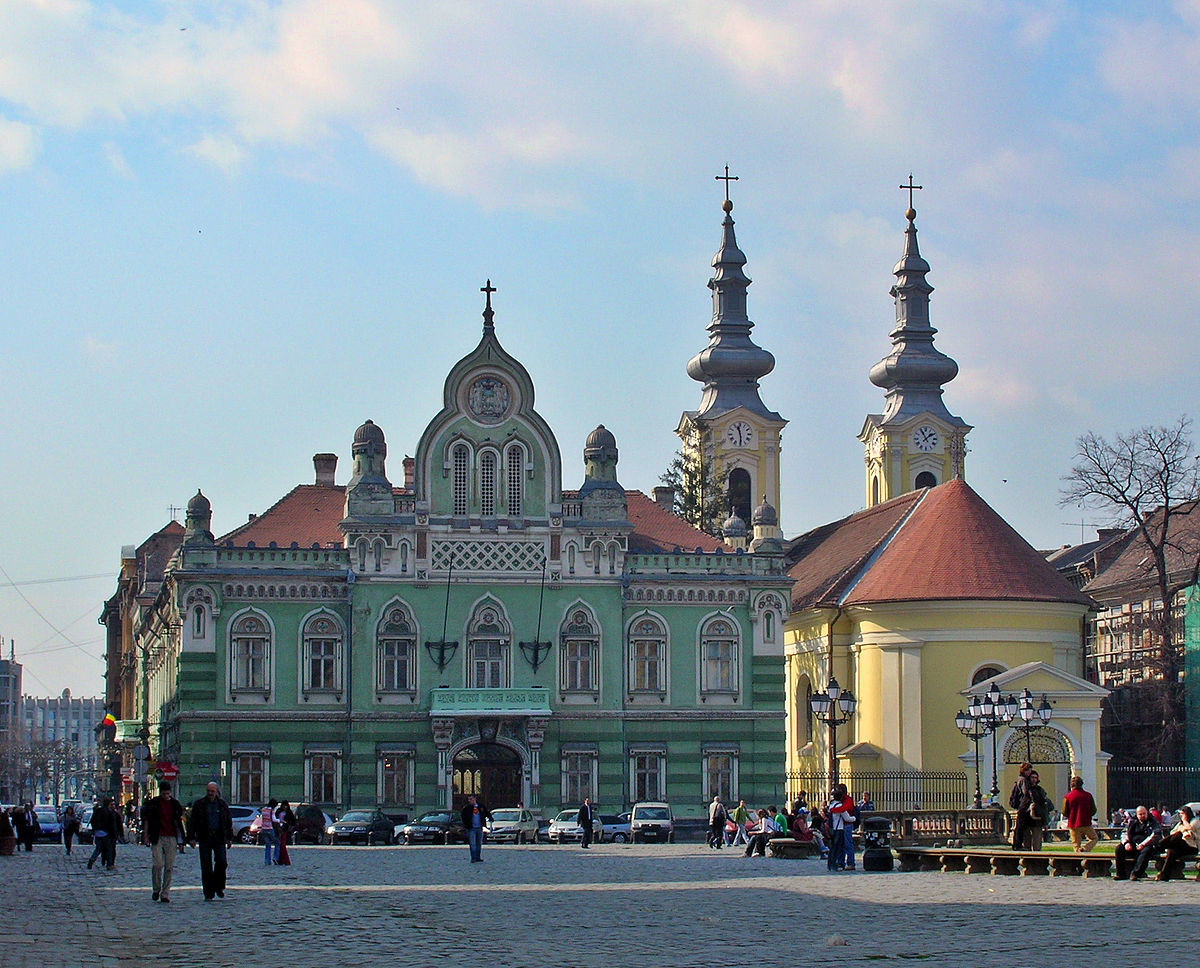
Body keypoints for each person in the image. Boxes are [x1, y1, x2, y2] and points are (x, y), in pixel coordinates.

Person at [141, 781, 187, 902]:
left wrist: (182, 840)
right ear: (160, 792)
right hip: (157, 836)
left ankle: (165, 893)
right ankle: (156, 889)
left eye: (168, 793)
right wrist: (145, 836)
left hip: (171, 837)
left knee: (169, 867)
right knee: (157, 864)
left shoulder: (175, 804)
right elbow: (147, 820)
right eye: (164, 793)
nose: (166, 796)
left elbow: (179, 822)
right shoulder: (153, 804)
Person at [188, 782, 234, 900]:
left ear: (216, 792)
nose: (210, 793)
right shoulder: (200, 804)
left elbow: (228, 822)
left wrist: (229, 838)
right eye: (208, 791)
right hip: (205, 837)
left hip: (219, 837)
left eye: (212, 791)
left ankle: (219, 886)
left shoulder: (222, 805)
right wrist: (191, 837)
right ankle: (208, 892)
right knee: (206, 866)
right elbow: (192, 821)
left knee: (222, 862)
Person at [1114, 805, 1161, 881]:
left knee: (1146, 851)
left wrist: (1143, 844)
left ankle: (1135, 874)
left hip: (1148, 845)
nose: (1142, 815)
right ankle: (1120, 874)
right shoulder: (1132, 822)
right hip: (1133, 844)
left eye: (1144, 813)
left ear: (1147, 813)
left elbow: (1156, 836)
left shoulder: (1153, 822)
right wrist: (1126, 843)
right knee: (1119, 849)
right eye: (1140, 814)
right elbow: (1124, 833)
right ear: (1137, 814)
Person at [1156, 804, 1200, 881]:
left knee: (1178, 835)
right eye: (1180, 814)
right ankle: (1164, 875)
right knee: (1171, 851)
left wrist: (1184, 822)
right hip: (1180, 846)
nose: (1181, 816)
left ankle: (1160, 845)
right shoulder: (1180, 823)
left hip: (1191, 846)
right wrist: (1183, 830)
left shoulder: (1195, 821)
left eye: (1182, 814)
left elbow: (1191, 828)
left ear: (1187, 813)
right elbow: (1172, 832)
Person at [1061, 776, 1098, 852]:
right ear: (1081, 784)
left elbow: (1064, 811)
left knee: (1076, 844)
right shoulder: (1088, 795)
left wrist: (1071, 815)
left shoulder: (1067, 797)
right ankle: (1085, 849)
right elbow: (1094, 810)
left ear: (1071, 785)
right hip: (1086, 823)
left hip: (1073, 823)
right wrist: (1087, 815)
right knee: (1094, 838)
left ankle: (1077, 857)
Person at [460, 794, 492, 863]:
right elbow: (463, 817)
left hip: (479, 828)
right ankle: (473, 858)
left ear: (475, 799)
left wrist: (490, 818)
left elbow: (486, 813)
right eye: (469, 799)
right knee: (472, 844)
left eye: (471, 799)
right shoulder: (467, 808)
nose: (469, 801)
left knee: (479, 843)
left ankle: (478, 857)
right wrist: (466, 825)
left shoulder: (481, 806)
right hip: (471, 828)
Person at [275, 800, 296, 866]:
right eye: (284, 805)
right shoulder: (278, 811)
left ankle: (286, 860)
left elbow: (293, 822)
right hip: (278, 829)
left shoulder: (289, 812)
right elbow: (275, 818)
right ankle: (280, 860)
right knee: (279, 845)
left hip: (284, 829)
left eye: (286, 805)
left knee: (282, 845)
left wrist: (289, 828)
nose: (285, 807)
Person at [259, 799, 279, 865]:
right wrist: (280, 821)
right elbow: (273, 819)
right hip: (270, 828)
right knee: (277, 842)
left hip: (263, 829)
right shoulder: (271, 810)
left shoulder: (263, 809)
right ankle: (275, 858)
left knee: (268, 845)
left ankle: (267, 860)